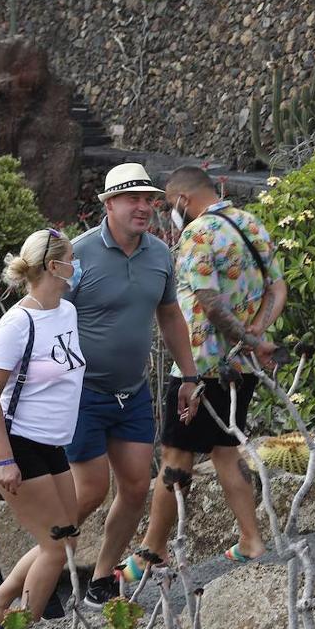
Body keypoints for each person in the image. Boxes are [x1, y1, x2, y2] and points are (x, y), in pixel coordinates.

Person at [123, 166, 286, 577]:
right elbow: (278, 288)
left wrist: (248, 339)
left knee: (175, 459)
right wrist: (256, 336)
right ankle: (251, 540)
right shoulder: (250, 224)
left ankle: (150, 555)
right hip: (241, 367)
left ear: (181, 200)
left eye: (168, 204)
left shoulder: (197, 235)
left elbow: (210, 303)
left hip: (199, 367)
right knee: (226, 453)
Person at [67, 163, 201, 608]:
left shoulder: (161, 253)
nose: (144, 207)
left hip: (133, 392)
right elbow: (43, 317)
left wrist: (188, 374)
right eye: (132, 199)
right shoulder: (77, 254)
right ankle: (38, 577)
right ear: (108, 204)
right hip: (82, 394)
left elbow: (170, 316)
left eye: (149, 199)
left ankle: (101, 579)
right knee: (87, 496)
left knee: (137, 488)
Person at [0, 229, 86, 627]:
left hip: (53, 444)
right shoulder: (16, 325)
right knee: (56, 546)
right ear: (55, 266)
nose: (77, 263)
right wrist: (4, 460)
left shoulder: (66, 312)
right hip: (18, 445)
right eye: (72, 256)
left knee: (67, 541)